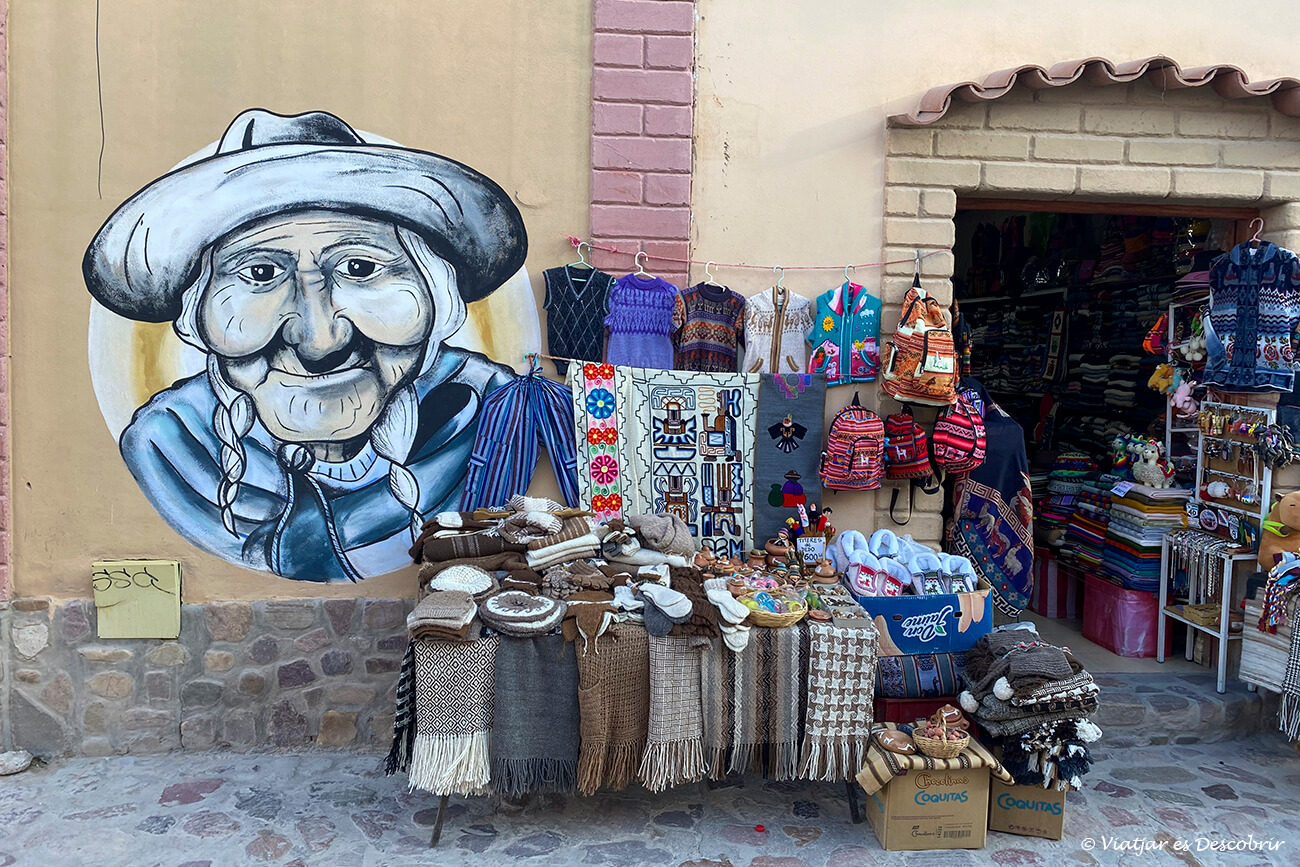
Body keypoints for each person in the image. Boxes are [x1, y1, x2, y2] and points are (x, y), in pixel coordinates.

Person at [83, 109, 528, 581]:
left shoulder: (494, 412)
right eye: (260, 274)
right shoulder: (172, 445)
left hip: (462, 639)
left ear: (433, 294)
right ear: (200, 313)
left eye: (360, 268)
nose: (320, 341)